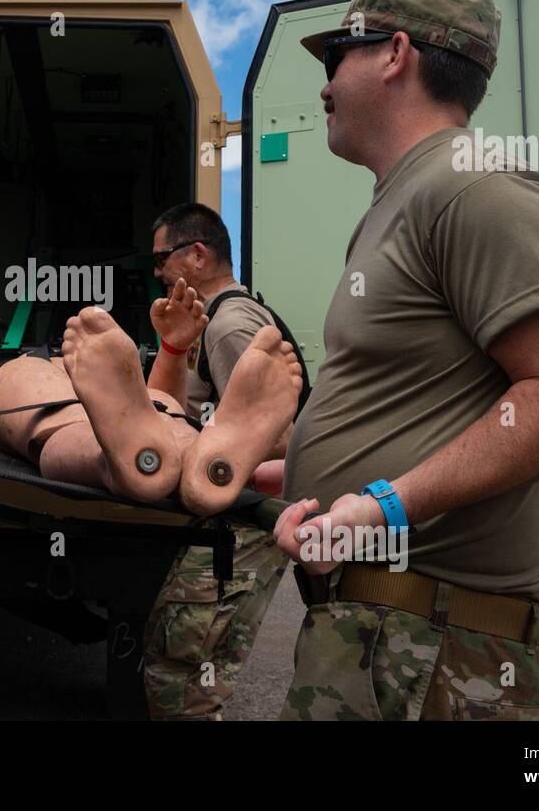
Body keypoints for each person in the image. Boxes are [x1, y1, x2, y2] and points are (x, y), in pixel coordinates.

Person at [273, 0, 539, 720]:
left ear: (395, 53)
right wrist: (297, 479)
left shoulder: (479, 189)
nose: (324, 86)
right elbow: (419, 409)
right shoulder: (404, 200)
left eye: (337, 56)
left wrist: (383, 508)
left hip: (434, 648)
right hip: (381, 631)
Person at [138, 204, 299, 719]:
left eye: (163, 258)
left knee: (181, 674)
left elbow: (275, 438)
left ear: (198, 255)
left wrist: (197, 464)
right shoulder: (221, 319)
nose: (159, 272)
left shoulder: (228, 326)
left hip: (241, 520)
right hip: (233, 513)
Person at [0, 305, 303, 513]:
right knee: (164, 415)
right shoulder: (81, 374)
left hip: (80, 409)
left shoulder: (40, 367)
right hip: (148, 413)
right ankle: (207, 464)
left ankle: (129, 466)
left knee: (32, 397)